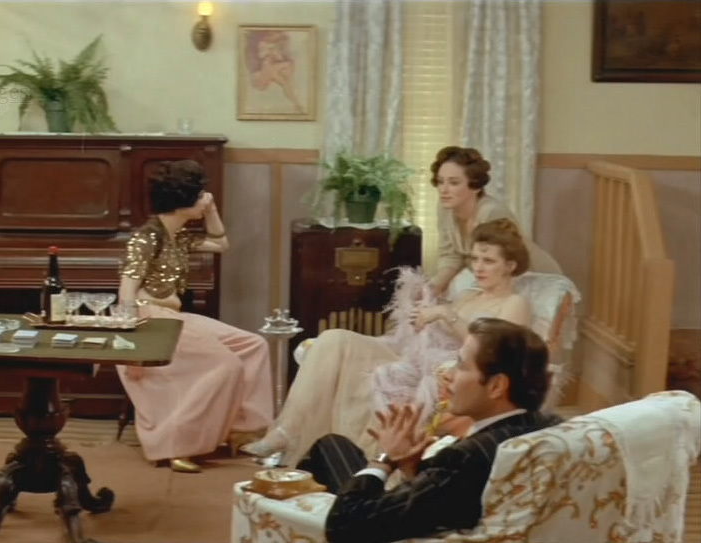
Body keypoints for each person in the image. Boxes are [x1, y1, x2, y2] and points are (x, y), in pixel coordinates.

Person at [241, 218, 533, 464]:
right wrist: (419, 315)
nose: (478, 267)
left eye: (488, 261)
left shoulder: (515, 303)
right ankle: (285, 432)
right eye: (475, 260)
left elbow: (493, 347)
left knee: (386, 374)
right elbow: (435, 329)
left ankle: (350, 456)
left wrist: (445, 314)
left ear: (510, 265)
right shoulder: (469, 296)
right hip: (415, 356)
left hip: (445, 371)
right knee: (333, 340)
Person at [294, 318, 562, 543]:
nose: (449, 375)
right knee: (333, 446)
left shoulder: (465, 458)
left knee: (318, 466)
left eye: (461, 365)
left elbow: (344, 524)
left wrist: (384, 459)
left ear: (496, 386)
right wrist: (412, 468)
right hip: (439, 513)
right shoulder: (548, 425)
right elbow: (444, 499)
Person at [118, 159, 274, 473]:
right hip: (150, 319)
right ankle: (178, 444)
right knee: (226, 364)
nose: (206, 198)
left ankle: (241, 431)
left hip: (173, 316)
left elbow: (221, 243)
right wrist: (132, 338)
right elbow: (126, 292)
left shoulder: (179, 235)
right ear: (182, 202)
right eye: (200, 195)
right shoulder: (147, 237)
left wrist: (211, 209)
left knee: (253, 345)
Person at [426, 146, 562, 298]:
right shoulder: (445, 208)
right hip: (491, 278)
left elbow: (502, 266)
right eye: (440, 181)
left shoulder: (491, 212)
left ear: (475, 186)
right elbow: (450, 256)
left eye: (454, 183)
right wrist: (433, 287)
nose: (443, 190)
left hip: (530, 277)